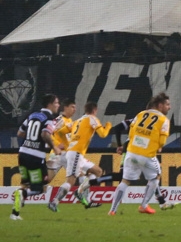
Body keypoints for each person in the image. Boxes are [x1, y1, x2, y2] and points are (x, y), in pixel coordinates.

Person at [108, 92, 171, 216]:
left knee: (125, 181)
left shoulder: (140, 114)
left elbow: (131, 133)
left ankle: (112, 210)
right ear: (160, 105)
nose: (169, 107)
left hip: (131, 153)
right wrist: (159, 146)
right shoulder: (164, 120)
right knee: (156, 177)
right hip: (147, 155)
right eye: (167, 104)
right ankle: (143, 206)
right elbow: (162, 140)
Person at [11, 93, 61, 221]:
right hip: (36, 156)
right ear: (50, 104)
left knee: (26, 183)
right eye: (56, 103)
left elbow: (20, 133)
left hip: (23, 153)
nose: (58, 105)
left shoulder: (32, 115)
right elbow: (45, 134)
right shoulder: (50, 118)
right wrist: (54, 147)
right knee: (41, 188)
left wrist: (31, 138)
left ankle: (15, 214)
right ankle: (22, 194)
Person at [53, 101, 112, 209]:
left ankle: (81, 193)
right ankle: (55, 202)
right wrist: (108, 126)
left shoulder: (77, 121)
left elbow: (61, 132)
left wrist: (68, 145)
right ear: (95, 110)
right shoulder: (92, 118)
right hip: (75, 153)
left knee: (97, 171)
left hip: (75, 153)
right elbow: (103, 134)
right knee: (71, 181)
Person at [46, 98, 76, 200]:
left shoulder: (70, 121)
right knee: (47, 179)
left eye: (75, 107)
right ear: (65, 108)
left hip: (66, 154)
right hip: (58, 154)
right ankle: (24, 190)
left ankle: (84, 199)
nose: (74, 109)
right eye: (72, 107)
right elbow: (48, 133)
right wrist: (57, 144)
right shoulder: (60, 119)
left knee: (78, 176)